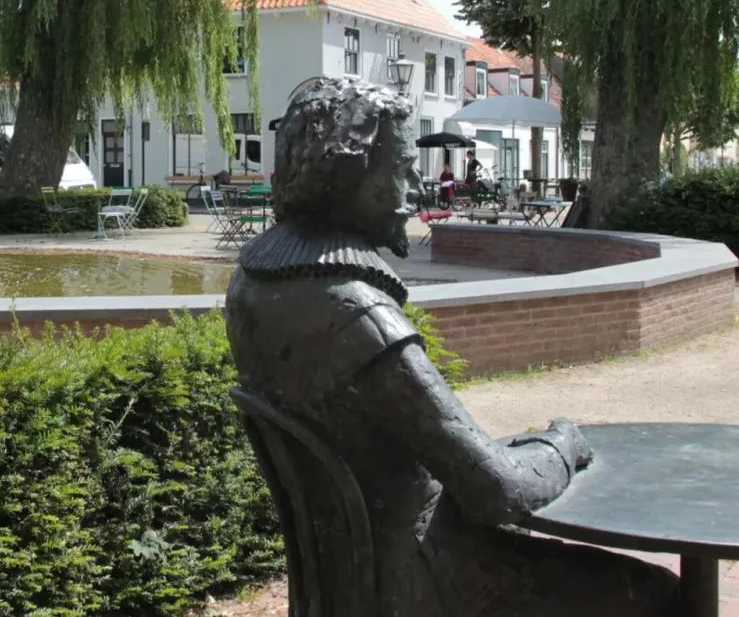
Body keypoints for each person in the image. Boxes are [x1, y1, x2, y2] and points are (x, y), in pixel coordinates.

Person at [225, 76, 679, 615]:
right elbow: (499, 492)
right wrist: (563, 442)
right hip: (424, 580)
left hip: (340, 585)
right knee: (658, 594)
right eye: (399, 169)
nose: (414, 188)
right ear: (346, 179)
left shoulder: (250, 285)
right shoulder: (360, 319)